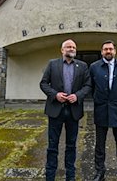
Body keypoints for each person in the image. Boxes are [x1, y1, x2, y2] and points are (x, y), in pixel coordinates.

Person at [40, 39, 92, 181]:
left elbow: (88, 85)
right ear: (62, 50)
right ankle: (50, 176)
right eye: (68, 46)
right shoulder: (52, 64)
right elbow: (44, 83)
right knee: (52, 145)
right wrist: (55, 95)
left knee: (71, 145)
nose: (71, 49)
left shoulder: (82, 66)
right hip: (55, 110)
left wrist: (78, 95)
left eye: (74, 47)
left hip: (73, 111)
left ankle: (70, 176)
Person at [89, 40, 117, 181]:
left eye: (111, 49)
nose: (108, 51)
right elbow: (92, 87)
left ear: (115, 51)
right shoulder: (94, 67)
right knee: (100, 145)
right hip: (101, 110)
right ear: (101, 52)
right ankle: (99, 172)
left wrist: (116, 100)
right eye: (105, 49)